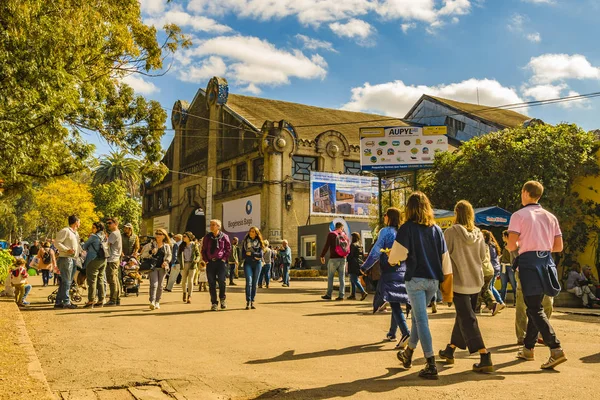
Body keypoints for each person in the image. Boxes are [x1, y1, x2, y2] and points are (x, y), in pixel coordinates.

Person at [389, 192, 453, 380]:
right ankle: (408, 354)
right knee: (418, 318)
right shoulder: (436, 230)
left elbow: (395, 257)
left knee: (422, 320)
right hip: (433, 280)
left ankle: (430, 363)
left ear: (409, 208)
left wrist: (392, 260)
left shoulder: (407, 228)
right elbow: (445, 259)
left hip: (415, 280)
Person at [507, 180, 567, 369]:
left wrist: (523, 245)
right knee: (536, 306)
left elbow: (511, 245)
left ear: (525, 192)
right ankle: (528, 348)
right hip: (547, 263)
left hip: (529, 264)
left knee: (533, 308)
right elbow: (558, 247)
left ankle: (555, 348)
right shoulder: (551, 217)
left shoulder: (518, 215)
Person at [439, 201, 494, 373]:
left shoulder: (450, 233)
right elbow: (481, 256)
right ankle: (450, 349)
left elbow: (444, 256)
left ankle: (485, 355)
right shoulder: (478, 233)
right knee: (463, 316)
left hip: (459, 282)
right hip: (475, 281)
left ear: (456, 213)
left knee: (468, 318)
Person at [361, 208, 411, 350]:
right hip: (404, 269)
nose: (383, 217)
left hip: (390, 269)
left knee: (393, 300)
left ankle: (405, 332)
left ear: (389, 217)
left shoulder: (386, 231)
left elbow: (376, 251)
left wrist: (365, 267)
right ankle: (392, 332)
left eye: (385, 215)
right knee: (394, 298)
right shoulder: (403, 231)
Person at [201, 220, 232, 311]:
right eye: (210, 225)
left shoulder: (224, 237)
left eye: (213, 225)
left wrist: (224, 259)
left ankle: (222, 299)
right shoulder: (207, 237)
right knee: (211, 283)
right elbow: (203, 250)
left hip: (220, 262)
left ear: (218, 226)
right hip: (210, 263)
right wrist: (206, 261)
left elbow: (228, 249)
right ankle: (214, 303)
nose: (211, 226)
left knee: (222, 281)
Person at [54, 215, 82, 309]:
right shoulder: (65, 231)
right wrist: (66, 250)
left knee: (66, 281)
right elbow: (57, 243)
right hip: (65, 258)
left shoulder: (75, 233)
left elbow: (77, 245)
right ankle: (66, 302)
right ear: (76, 222)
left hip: (73, 259)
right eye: (79, 221)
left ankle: (58, 301)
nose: (80, 223)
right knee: (66, 281)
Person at [140, 228, 172, 310]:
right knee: (154, 284)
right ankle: (152, 301)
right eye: (157, 233)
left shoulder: (166, 246)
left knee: (160, 286)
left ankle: (157, 302)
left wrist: (166, 261)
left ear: (164, 236)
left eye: (160, 234)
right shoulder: (150, 245)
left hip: (162, 268)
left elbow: (169, 255)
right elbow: (143, 255)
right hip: (152, 267)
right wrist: (151, 252)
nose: (157, 235)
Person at [81, 222, 108, 308]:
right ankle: (101, 300)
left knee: (92, 280)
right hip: (103, 259)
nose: (92, 229)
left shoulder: (93, 236)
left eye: (93, 227)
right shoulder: (104, 236)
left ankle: (91, 301)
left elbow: (84, 246)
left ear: (98, 228)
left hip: (93, 259)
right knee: (100, 279)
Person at [320, 223, 350, 301]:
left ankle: (329, 294)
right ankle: (341, 295)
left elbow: (327, 245)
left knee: (330, 277)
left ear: (335, 227)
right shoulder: (344, 235)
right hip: (343, 258)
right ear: (341, 227)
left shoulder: (331, 234)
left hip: (333, 259)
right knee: (342, 278)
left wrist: (322, 255)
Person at [482, 230, 506, 315]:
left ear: (485, 237)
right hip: (495, 268)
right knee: (490, 287)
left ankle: (498, 302)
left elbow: (488, 258)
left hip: (491, 268)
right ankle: (495, 304)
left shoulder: (488, 246)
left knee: (489, 288)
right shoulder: (493, 245)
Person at [242, 226, 264, 310]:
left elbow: (260, 255)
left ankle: (252, 301)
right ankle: (248, 301)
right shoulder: (245, 242)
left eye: (253, 231)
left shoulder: (260, 242)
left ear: (256, 233)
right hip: (248, 263)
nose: (251, 233)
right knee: (249, 282)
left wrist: (251, 254)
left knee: (255, 284)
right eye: (250, 231)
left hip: (257, 264)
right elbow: (243, 255)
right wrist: (255, 254)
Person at [104, 217, 122, 306]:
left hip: (112, 259)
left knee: (112, 280)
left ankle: (113, 299)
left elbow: (106, 245)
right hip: (115, 258)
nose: (108, 225)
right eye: (107, 223)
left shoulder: (114, 234)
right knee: (115, 279)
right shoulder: (117, 233)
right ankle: (117, 298)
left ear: (115, 223)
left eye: (110, 223)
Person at [179, 231, 201, 304]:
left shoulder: (194, 245)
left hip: (192, 264)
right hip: (184, 264)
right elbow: (178, 255)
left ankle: (189, 295)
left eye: (185, 236)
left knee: (190, 280)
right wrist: (179, 263)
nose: (183, 238)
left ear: (189, 237)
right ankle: (184, 293)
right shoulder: (182, 245)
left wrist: (196, 260)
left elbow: (198, 254)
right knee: (184, 281)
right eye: (183, 236)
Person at [348, 232, 367, 301]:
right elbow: (361, 255)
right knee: (352, 279)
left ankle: (363, 292)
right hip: (358, 263)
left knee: (354, 279)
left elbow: (351, 255)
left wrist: (347, 259)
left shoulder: (352, 245)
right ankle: (353, 294)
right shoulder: (360, 245)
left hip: (353, 263)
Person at [500, 230, 518, 304]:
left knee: (514, 284)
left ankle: (516, 300)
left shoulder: (512, 245)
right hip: (503, 265)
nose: (502, 237)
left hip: (510, 266)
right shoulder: (505, 245)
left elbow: (514, 256)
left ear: (507, 236)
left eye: (503, 236)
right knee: (503, 285)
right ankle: (501, 301)